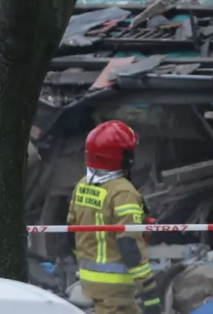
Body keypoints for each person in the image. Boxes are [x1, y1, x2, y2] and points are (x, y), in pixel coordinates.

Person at [69, 120, 161, 314]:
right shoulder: (123, 192)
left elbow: (72, 229)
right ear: (124, 157)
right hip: (116, 290)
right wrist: (149, 290)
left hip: (87, 284)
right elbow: (129, 245)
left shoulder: (82, 185)